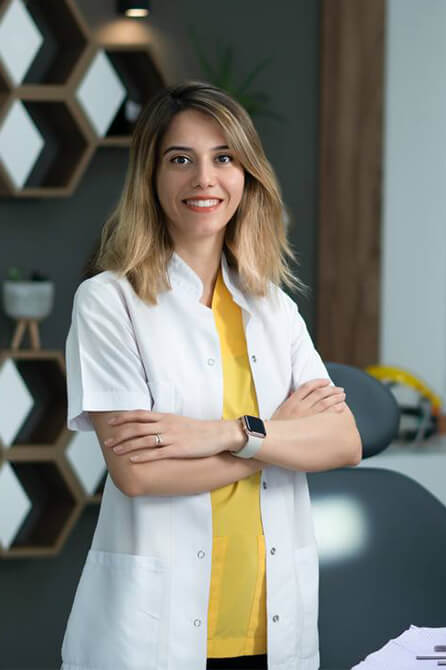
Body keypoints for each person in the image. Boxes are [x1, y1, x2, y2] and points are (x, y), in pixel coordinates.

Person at [61, 81, 362, 670]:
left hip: (272, 631)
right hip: (154, 634)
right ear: (151, 178)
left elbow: (343, 441)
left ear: (246, 175)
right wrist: (272, 440)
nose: (205, 178)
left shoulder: (273, 306)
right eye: (181, 160)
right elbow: (139, 474)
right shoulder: (108, 302)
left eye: (224, 157)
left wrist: (223, 433)